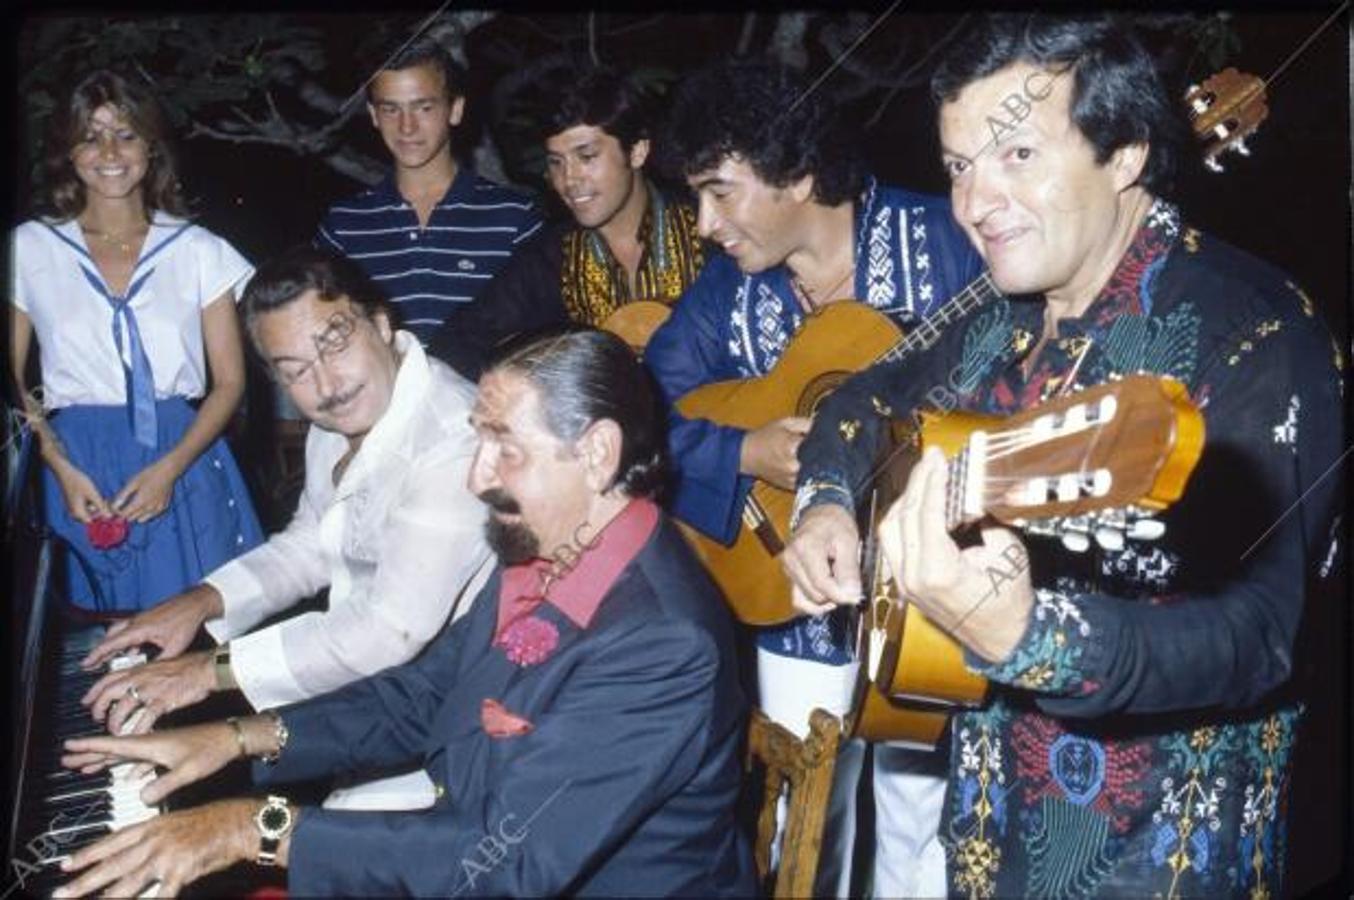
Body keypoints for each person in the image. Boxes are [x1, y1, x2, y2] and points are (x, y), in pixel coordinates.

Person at [784, 14, 1344, 897]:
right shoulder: (995, 312)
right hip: (983, 822)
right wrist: (822, 500)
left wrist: (1028, 636)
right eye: (960, 167)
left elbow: (1259, 638)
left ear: (1123, 152)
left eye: (1015, 157)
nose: (973, 202)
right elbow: (861, 400)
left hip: (1155, 857)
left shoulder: (1257, 333)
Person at [55, 330, 755, 899]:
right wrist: (235, 738)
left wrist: (249, 829)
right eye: (478, 440)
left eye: (505, 448)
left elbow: (505, 861)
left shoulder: (661, 644)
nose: (477, 478)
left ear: (596, 453)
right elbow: (420, 697)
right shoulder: (549, 554)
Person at [644, 58, 984, 898]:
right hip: (790, 601)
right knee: (803, 829)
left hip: (930, 598)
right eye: (696, 197)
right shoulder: (722, 296)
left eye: (720, 192)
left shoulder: (950, 244)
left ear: (797, 172)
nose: (702, 223)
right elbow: (635, 426)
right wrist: (741, 453)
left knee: (923, 828)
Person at [78, 246, 493, 810]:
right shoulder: (346, 417)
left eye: (334, 342)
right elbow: (311, 544)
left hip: (459, 732)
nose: (326, 383)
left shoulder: (452, 442)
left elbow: (387, 632)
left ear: (380, 322)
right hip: (373, 703)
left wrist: (210, 670)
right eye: (294, 369)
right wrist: (203, 600)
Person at [8, 69, 264, 613]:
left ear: (150, 146)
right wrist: (58, 464)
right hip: (78, 459)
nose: (109, 151)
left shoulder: (197, 249)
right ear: (68, 151)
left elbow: (231, 382)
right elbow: (10, 380)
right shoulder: (30, 247)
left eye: (125, 134)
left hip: (182, 451)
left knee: (188, 631)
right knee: (89, 637)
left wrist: (171, 468)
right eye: (91, 135)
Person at [428, 66, 704, 378]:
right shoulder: (552, 258)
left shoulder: (709, 231)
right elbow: (455, 345)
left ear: (637, 152)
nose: (569, 180)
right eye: (557, 162)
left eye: (586, 156)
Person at [315, 36, 542, 348]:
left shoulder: (515, 219)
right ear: (373, 115)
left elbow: (545, 341)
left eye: (423, 107)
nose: (407, 127)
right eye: (391, 109)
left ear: (455, 109)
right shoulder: (342, 226)